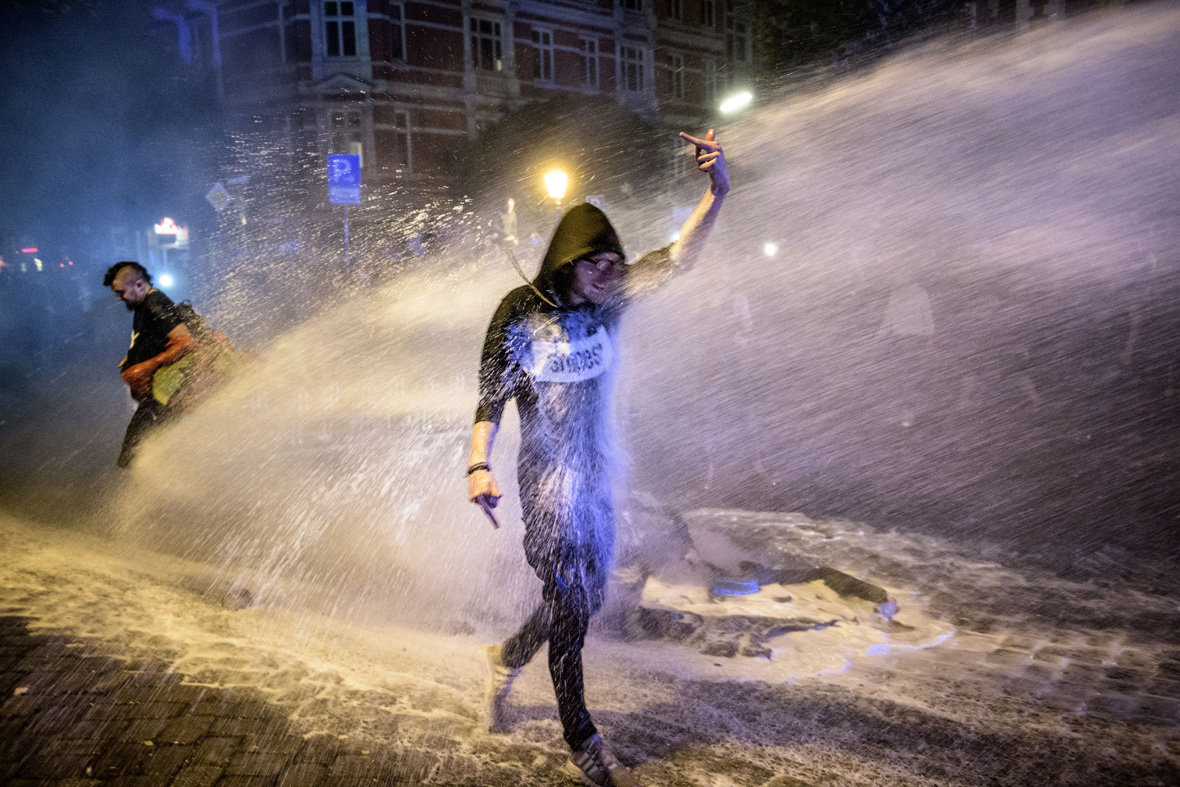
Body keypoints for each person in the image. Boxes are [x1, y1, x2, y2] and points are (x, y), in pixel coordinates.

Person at [466, 130, 729, 787]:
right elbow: (490, 395)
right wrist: (478, 464)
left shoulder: (611, 304)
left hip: (597, 476)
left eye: (616, 264)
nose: (611, 276)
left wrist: (718, 189)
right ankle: (583, 739)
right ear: (568, 260)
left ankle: (504, 656)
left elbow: (677, 257)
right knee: (574, 608)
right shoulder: (518, 312)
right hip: (546, 483)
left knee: (578, 597)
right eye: (597, 264)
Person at [103, 261, 199, 468]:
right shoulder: (142, 305)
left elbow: (187, 342)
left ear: (139, 285)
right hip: (155, 397)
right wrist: (133, 359)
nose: (118, 298)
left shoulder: (154, 303)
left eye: (120, 292)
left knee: (134, 456)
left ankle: (165, 494)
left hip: (162, 398)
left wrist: (147, 365)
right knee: (142, 455)